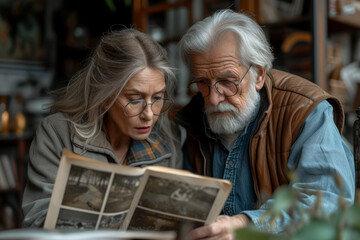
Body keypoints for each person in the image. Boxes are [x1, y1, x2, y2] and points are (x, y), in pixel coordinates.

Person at [174, 9, 355, 239]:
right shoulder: (196, 114)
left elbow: (327, 201)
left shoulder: (306, 110)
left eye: (227, 82)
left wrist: (245, 224)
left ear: (259, 74)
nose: (212, 98)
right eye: (202, 82)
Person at [22, 28, 182, 227]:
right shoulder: (57, 133)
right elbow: (37, 222)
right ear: (105, 97)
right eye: (134, 99)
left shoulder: (169, 139)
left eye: (157, 98)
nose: (149, 114)